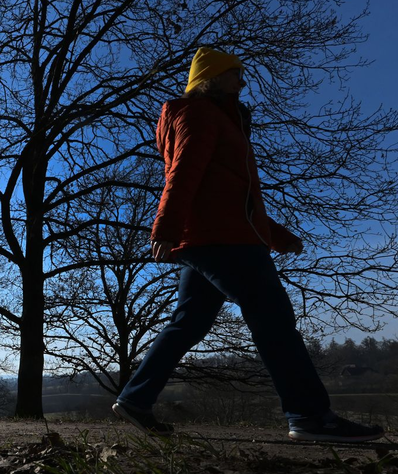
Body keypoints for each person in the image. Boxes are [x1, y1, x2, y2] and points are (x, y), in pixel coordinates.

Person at [111, 47, 384, 443]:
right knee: (273, 318)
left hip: (216, 235)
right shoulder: (200, 114)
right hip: (222, 240)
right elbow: (184, 173)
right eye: (235, 73)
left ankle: (136, 398)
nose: (242, 81)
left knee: (189, 322)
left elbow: (231, 195)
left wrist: (276, 235)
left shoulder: (218, 118)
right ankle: (310, 416)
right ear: (212, 77)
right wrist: (164, 227)